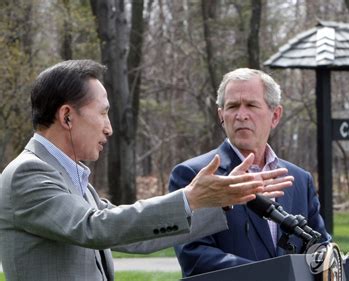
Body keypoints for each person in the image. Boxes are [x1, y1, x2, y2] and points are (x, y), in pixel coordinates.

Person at [0, 60, 292, 281]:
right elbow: (96, 227)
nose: (109, 127)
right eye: (103, 113)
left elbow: (134, 235)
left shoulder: (76, 181)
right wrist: (189, 198)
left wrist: (215, 201)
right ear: (66, 116)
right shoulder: (29, 174)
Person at [169, 68, 332, 277]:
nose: (241, 115)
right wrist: (273, 275)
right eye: (233, 106)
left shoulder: (299, 179)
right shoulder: (194, 175)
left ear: (275, 115)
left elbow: (321, 246)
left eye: (251, 105)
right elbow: (195, 257)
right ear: (221, 116)